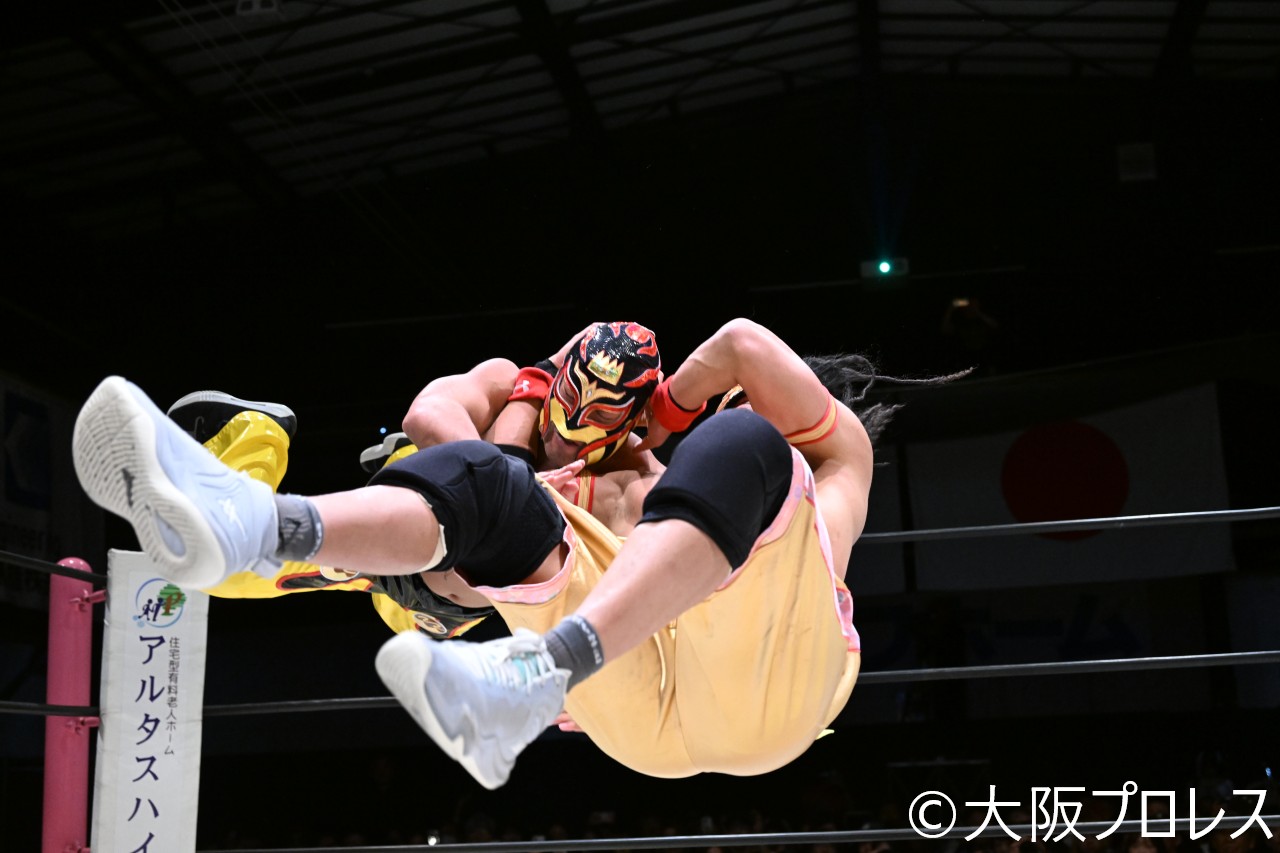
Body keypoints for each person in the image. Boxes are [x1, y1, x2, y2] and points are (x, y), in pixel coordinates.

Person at [72, 317, 964, 789]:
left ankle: (539, 665)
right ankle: (261, 521)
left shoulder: (829, 472)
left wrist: (670, 413)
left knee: (743, 452)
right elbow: (436, 424)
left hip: (775, 696)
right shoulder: (564, 456)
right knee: (495, 488)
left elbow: (740, 345)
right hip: (630, 713)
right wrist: (523, 456)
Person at [166, 320, 664, 638]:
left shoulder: (636, 487)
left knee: (413, 629)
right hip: (417, 531)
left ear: (634, 420)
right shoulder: (507, 385)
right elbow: (426, 414)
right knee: (225, 567)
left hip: (449, 605)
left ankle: (404, 462)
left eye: (598, 419)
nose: (566, 434)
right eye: (567, 399)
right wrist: (514, 483)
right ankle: (254, 434)